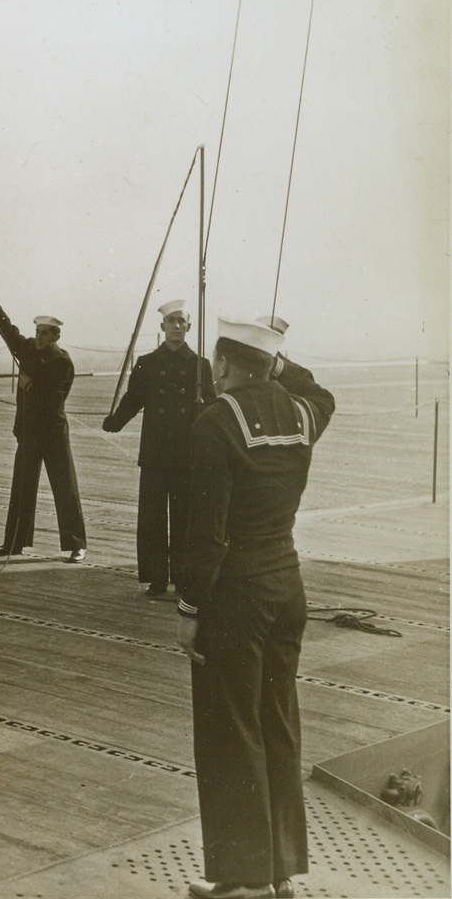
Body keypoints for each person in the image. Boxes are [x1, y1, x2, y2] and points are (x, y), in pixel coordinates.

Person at [175, 316, 335, 899]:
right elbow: (320, 391)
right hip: (287, 590)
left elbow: (207, 533)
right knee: (277, 722)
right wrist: (278, 360)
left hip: (235, 598)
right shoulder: (302, 415)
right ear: (268, 364)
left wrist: (190, 606)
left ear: (224, 365)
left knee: (230, 729)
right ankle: (279, 872)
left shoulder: (217, 421)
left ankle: (242, 880)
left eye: (216, 363)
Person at [103, 300, 215, 599]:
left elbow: (214, 410)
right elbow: (133, 399)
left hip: (186, 454)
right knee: (152, 518)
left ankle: (182, 576)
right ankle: (156, 578)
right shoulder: (147, 363)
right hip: (154, 453)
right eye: (171, 321)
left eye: (181, 321)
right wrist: (115, 421)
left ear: (189, 328)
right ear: (162, 327)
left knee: (183, 518)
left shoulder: (200, 366)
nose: (176, 326)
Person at [0, 275, 87, 560]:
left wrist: (29, 385)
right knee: (22, 488)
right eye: (37, 332)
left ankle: (76, 545)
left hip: (54, 433)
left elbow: (53, 401)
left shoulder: (63, 362)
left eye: (45, 333)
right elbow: (5, 327)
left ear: (56, 337)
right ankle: (14, 543)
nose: (39, 337)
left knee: (65, 488)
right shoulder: (27, 351)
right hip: (28, 433)